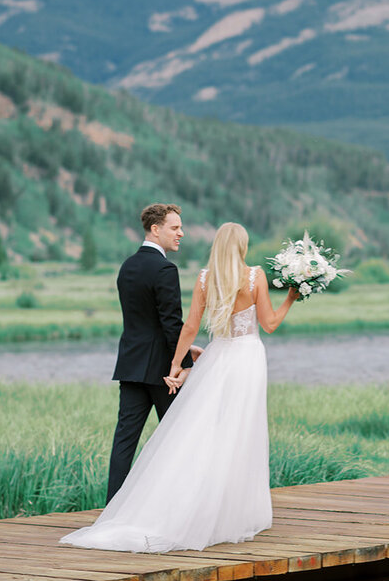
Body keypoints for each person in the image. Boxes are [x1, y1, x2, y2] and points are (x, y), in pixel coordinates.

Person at [60, 222, 299, 553]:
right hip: (247, 359)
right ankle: (233, 513)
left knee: (198, 431)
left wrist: (177, 365)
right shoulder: (253, 275)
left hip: (217, 357)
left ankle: (164, 506)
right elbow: (270, 325)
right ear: (242, 246)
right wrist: (290, 297)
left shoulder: (204, 277)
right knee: (242, 432)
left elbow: (189, 326)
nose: (180, 232)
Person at [103, 202, 194, 505]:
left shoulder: (127, 265)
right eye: (175, 227)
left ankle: (112, 509)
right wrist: (182, 365)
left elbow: (141, 320)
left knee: (124, 441)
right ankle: (175, 506)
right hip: (162, 371)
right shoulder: (165, 268)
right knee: (178, 440)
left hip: (130, 364)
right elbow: (171, 324)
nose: (181, 233)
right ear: (156, 229)